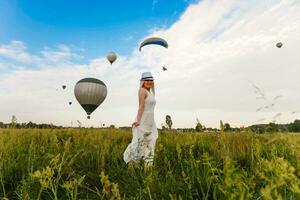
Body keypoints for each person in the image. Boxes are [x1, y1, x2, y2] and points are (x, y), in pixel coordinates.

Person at [123, 72, 159, 167]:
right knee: (138, 143)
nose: (149, 82)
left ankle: (147, 166)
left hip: (150, 121)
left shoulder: (150, 92)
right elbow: (141, 106)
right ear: (142, 82)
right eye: (146, 80)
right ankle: (131, 164)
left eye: (150, 80)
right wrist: (138, 121)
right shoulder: (142, 90)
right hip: (143, 120)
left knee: (150, 143)